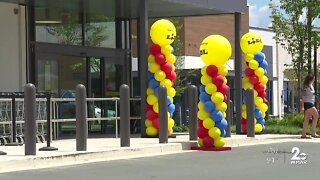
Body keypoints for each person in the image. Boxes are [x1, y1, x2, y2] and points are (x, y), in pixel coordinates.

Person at [301, 74, 320, 138]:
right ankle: (313, 133)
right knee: (316, 116)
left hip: (310, 102)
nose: (314, 80)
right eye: (313, 79)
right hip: (308, 103)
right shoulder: (306, 86)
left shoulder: (311, 85)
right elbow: (303, 96)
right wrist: (302, 106)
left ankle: (304, 134)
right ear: (310, 79)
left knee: (307, 119)